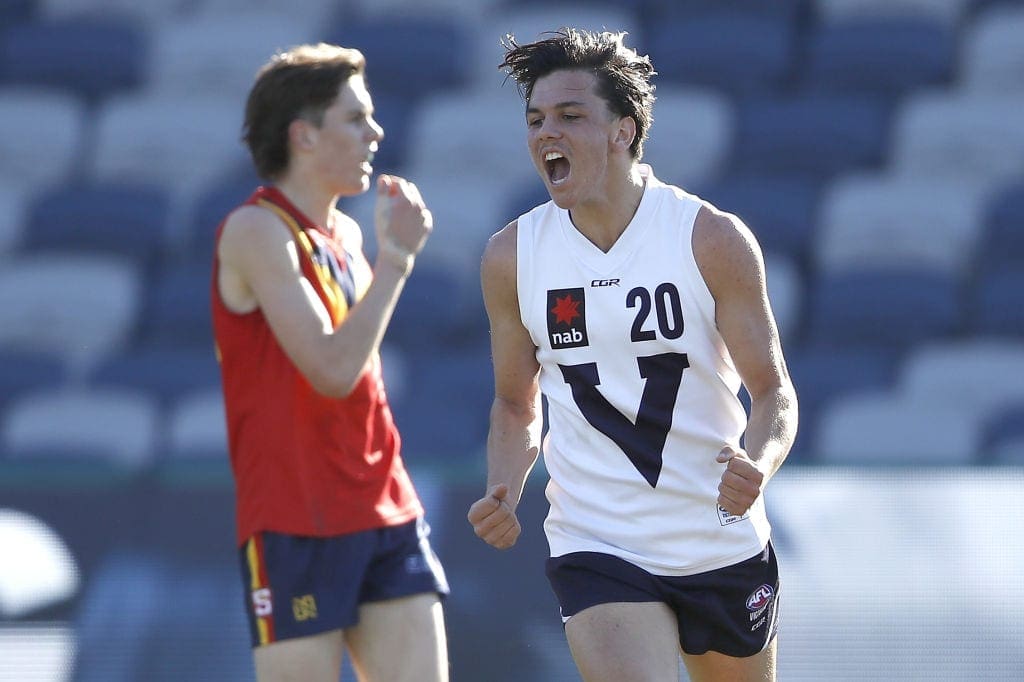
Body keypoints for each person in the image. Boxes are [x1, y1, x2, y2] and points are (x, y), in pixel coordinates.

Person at [467, 28, 798, 682]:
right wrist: (504, 485)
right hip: (598, 541)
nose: (545, 134)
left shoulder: (710, 239)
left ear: (623, 130)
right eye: (535, 120)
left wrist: (757, 463)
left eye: (570, 116)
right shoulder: (512, 257)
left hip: (718, 538)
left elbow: (773, 392)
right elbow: (514, 400)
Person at [211, 43, 449, 682]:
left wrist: (386, 256)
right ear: (304, 136)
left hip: (384, 506)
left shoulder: (344, 234)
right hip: (295, 521)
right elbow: (332, 370)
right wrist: (396, 259)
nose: (375, 132)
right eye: (355, 118)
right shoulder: (255, 231)